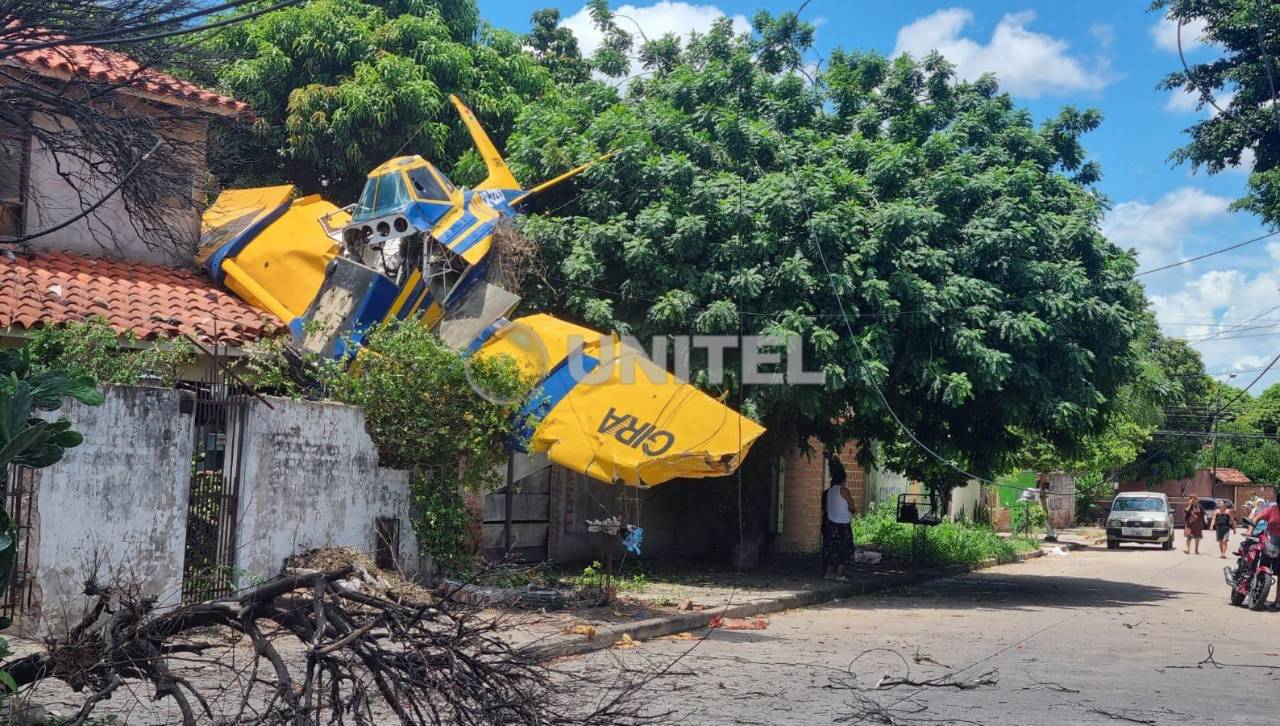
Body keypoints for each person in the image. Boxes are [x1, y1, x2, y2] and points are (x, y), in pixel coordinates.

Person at [822, 455, 856, 582]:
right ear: (843, 479)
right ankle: (839, 574)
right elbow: (852, 507)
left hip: (831, 524)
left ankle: (829, 572)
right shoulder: (844, 490)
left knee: (831, 549)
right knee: (843, 550)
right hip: (843, 525)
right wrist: (852, 510)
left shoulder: (829, 491)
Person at [1252, 501, 1280, 610]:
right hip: (1271, 543)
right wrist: (1250, 529)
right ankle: (1254, 590)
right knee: (1258, 562)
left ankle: (1278, 601)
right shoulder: (1272, 509)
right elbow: (1257, 518)